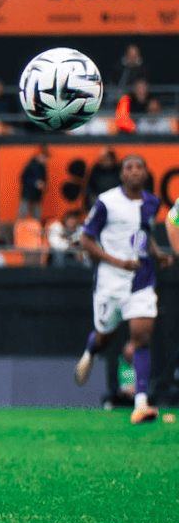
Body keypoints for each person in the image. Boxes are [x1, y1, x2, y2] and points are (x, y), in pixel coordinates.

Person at [73, 155, 173, 424]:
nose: (134, 171)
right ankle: (91, 350)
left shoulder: (151, 202)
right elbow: (86, 239)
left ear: (146, 173)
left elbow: (143, 232)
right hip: (110, 281)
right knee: (105, 336)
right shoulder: (106, 202)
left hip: (141, 278)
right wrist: (117, 262)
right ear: (121, 175)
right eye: (129, 167)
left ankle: (141, 404)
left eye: (140, 167)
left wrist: (157, 253)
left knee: (142, 336)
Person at [18, 144, 47, 220]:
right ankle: (19, 230)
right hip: (27, 194)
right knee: (23, 214)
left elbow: (45, 179)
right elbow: (23, 178)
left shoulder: (43, 167)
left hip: (37, 195)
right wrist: (35, 183)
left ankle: (36, 230)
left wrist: (43, 185)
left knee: (37, 216)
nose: (45, 160)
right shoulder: (31, 165)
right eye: (44, 157)